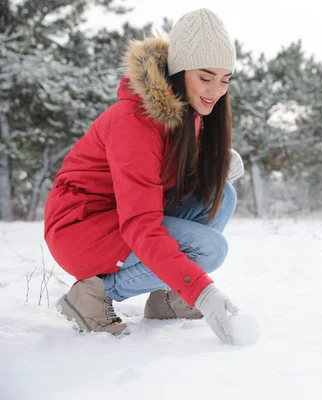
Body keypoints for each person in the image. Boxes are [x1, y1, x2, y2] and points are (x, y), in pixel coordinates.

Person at [43, 8, 244, 344]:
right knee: (210, 250)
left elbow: (164, 173)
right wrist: (201, 291)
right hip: (83, 228)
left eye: (225, 79)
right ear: (180, 72)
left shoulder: (187, 113)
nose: (216, 90)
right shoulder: (132, 121)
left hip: (119, 217)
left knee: (222, 195)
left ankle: (168, 297)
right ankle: (93, 295)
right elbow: (140, 224)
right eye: (205, 77)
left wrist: (211, 161)